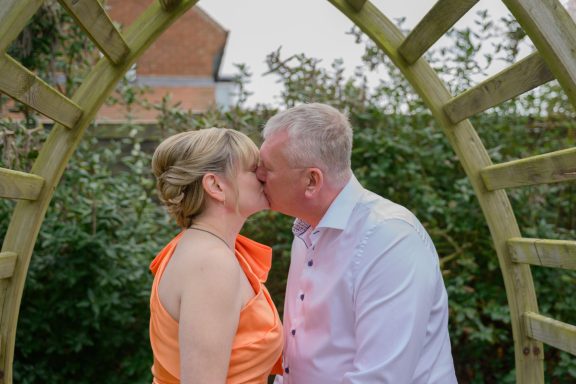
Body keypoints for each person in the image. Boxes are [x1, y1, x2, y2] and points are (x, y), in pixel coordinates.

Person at [257, 103, 458, 384]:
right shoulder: (305, 233)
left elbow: (380, 378)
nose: (259, 176)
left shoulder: (390, 238)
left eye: (267, 168)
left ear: (312, 181)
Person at [149, 128, 283, 384]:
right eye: (253, 169)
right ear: (216, 185)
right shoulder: (211, 265)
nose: (263, 176)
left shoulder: (200, 249)